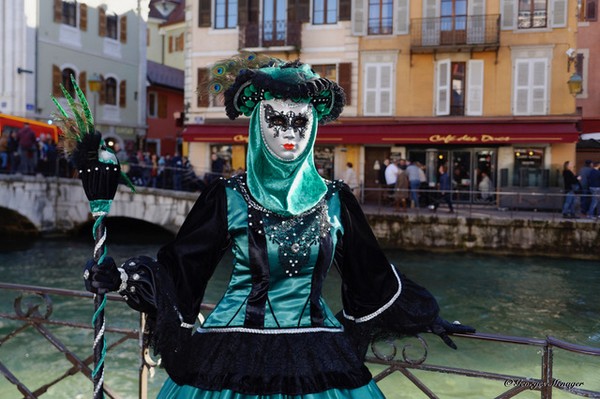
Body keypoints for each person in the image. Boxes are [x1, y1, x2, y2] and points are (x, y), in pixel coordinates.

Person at [83, 57, 474, 399]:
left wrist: (426, 315)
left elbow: (370, 275)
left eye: (300, 121)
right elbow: (183, 269)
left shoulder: (335, 201)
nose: (289, 133)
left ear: (315, 126)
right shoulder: (227, 197)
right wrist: (121, 279)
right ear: (258, 123)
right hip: (228, 357)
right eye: (277, 120)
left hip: (320, 357)